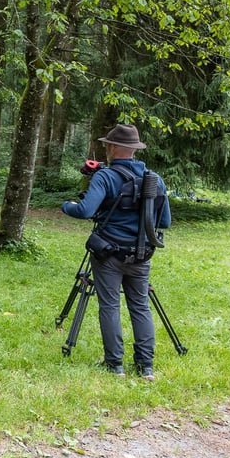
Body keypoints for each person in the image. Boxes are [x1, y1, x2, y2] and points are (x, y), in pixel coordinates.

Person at [61, 123, 171, 381]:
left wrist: (68, 206)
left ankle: (115, 365)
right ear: (134, 149)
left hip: (108, 253)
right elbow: (163, 221)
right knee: (140, 306)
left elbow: (85, 211)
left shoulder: (105, 177)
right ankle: (146, 367)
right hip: (141, 254)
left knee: (109, 305)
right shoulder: (154, 179)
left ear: (111, 147)